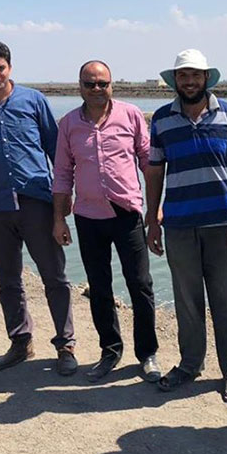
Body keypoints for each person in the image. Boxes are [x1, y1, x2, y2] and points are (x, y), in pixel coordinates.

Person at [0, 40, 77, 376]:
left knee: (55, 276)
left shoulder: (33, 100)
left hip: (37, 202)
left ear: (10, 67)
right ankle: (20, 341)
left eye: (0, 68)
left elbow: (58, 152)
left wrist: (64, 197)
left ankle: (66, 344)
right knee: (8, 280)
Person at [145, 49, 227, 403]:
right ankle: (190, 364)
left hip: (221, 223)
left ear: (206, 78)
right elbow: (155, 171)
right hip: (178, 224)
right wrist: (152, 218)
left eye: (195, 75)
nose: (189, 81)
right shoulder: (162, 119)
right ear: (174, 80)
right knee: (187, 302)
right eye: (183, 75)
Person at [52, 60, 160, 383]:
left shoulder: (131, 115)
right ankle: (110, 350)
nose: (97, 89)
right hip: (88, 217)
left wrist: (155, 208)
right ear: (80, 87)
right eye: (90, 84)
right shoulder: (69, 124)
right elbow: (62, 173)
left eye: (103, 83)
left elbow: (149, 163)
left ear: (112, 84)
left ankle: (147, 354)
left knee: (140, 285)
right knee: (99, 288)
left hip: (127, 214)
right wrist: (59, 219)